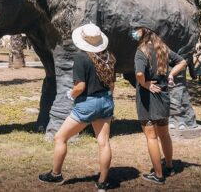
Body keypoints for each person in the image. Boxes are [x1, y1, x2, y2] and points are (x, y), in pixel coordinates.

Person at [39, 23, 116, 192]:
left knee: (60, 138)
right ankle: (103, 182)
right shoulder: (109, 56)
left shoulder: (81, 58)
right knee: (103, 143)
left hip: (88, 103)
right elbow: (111, 84)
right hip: (106, 100)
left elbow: (80, 86)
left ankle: (55, 174)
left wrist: (71, 94)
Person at [131, 27, 187, 184]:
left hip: (147, 101)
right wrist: (170, 74)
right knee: (164, 134)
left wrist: (145, 84)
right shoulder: (162, 48)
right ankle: (169, 166)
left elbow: (139, 73)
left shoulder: (141, 51)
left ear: (144, 31)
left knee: (151, 137)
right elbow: (182, 61)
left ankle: (158, 175)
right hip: (163, 97)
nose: (134, 32)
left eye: (137, 29)